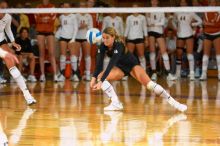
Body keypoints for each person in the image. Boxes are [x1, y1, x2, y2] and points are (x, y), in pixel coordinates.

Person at [90, 27, 187, 112]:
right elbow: (99, 65)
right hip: (120, 68)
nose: (105, 40)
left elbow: (111, 64)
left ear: (113, 37)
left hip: (132, 65)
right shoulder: (103, 46)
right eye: (103, 38)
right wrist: (94, 79)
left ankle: (174, 103)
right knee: (100, 76)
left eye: (107, 38)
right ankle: (116, 103)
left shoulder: (118, 45)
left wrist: (100, 82)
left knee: (150, 85)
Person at [0, 0, 36, 105]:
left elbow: (8, 30)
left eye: (5, 8)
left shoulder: (7, 17)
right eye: (1, 7)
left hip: (2, 42)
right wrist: (5, 53)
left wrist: (13, 42)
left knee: (13, 67)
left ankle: (27, 95)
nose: (3, 10)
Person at [146, 0, 176, 81]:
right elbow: (148, 22)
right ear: (151, 1)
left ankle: (168, 73)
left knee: (164, 52)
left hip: (159, 32)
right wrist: (155, 23)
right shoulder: (148, 10)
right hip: (151, 32)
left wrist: (154, 23)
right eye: (153, 0)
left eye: (155, 0)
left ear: (157, 2)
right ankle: (154, 73)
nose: (154, 2)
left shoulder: (161, 9)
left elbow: (162, 22)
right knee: (152, 52)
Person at [173, 0, 202, 80]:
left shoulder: (191, 12)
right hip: (180, 35)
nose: (182, 3)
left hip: (189, 34)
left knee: (189, 54)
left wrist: (193, 24)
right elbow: (173, 21)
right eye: (181, 2)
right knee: (179, 54)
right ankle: (177, 73)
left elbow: (200, 21)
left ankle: (192, 73)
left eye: (184, 2)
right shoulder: (177, 12)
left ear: (186, 3)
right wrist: (176, 27)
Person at [35, 0, 61, 82]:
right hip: (40, 32)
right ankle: (42, 75)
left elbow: (53, 19)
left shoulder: (52, 7)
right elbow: (37, 19)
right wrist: (46, 18)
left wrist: (43, 19)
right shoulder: (38, 7)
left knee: (51, 54)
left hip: (50, 32)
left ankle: (55, 75)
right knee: (41, 53)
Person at [57, 2, 78, 81]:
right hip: (63, 37)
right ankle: (62, 74)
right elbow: (61, 27)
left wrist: (73, 39)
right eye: (64, 6)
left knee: (73, 57)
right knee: (63, 56)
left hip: (71, 38)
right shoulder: (61, 16)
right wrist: (57, 36)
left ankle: (75, 74)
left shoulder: (73, 16)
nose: (65, 7)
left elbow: (76, 28)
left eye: (67, 6)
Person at [200, 0, 220, 80]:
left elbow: (217, 24)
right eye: (211, 2)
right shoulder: (206, 11)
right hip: (207, 34)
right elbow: (204, 23)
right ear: (209, 3)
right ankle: (204, 74)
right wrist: (211, 24)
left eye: (214, 2)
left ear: (216, 3)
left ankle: (219, 74)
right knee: (205, 54)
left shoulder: (218, 10)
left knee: (218, 54)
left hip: (217, 34)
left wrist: (209, 24)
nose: (212, 3)